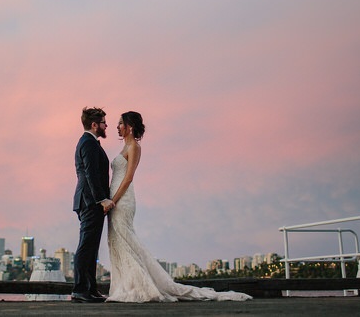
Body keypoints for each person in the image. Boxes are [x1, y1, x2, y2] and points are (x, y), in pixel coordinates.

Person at [106, 111, 252, 303]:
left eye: (120, 123)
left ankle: (140, 286)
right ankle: (125, 285)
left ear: (129, 126)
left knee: (126, 239)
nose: (117, 126)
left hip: (123, 200)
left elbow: (129, 177)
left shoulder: (134, 147)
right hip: (115, 199)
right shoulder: (125, 146)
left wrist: (114, 200)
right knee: (117, 240)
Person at [72, 107, 115, 303]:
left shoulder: (90, 143)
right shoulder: (88, 143)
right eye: (104, 122)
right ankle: (80, 289)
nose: (107, 125)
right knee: (86, 246)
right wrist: (101, 199)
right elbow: (91, 174)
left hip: (90, 201)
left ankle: (91, 288)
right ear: (94, 125)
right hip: (90, 202)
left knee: (92, 248)